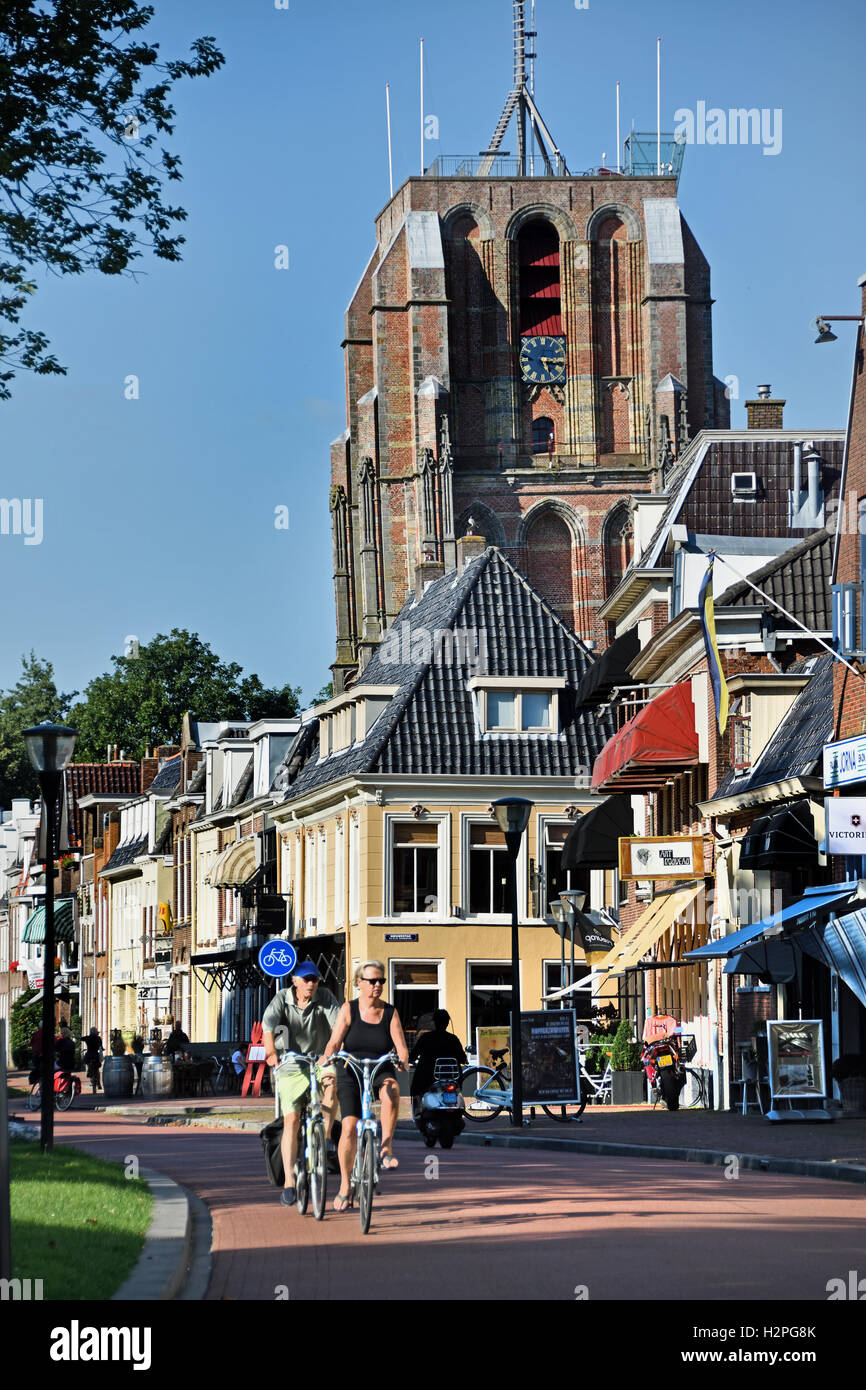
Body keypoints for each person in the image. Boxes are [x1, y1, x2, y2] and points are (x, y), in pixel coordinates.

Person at [321, 960, 410, 1212]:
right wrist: (328, 1055)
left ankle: (386, 1148)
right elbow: (335, 1041)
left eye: (381, 981)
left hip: (380, 1066)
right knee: (349, 1127)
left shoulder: (390, 1013)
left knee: (392, 1089)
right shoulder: (348, 1009)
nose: (378, 985)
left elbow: (401, 1046)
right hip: (351, 1068)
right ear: (359, 983)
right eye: (372, 981)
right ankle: (345, 1186)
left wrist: (403, 1059)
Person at [262, 961, 341, 1208]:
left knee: (332, 1082)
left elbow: (338, 1027)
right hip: (292, 1063)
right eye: (306, 979)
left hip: (320, 1059)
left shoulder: (325, 997)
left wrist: (331, 1050)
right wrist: (271, 1052)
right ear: (295, 981)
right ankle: (289, 1180)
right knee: (292, 1120)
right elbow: (268, 1027)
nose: (311, 984)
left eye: (315, 979)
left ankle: (326, 1138)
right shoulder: (281, 999)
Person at [409, 1009, 467, 1113]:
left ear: (434, 1022)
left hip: (428, 1077)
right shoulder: (453, 1039)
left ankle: (419, 1110)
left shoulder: (426, 1038)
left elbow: (412, 1056)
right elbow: (463, 1058)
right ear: (447, 1023)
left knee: (416, 1089)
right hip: (451, 1077)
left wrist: (409, 1059)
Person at [83, 1027, 104, 1093]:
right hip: (95, 1056)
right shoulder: (98, 1038)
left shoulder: (87, 1038)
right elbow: (101, 1047)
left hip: (89, 1055)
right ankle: (99, 1084)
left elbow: (81, 1038)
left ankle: (90, 1075)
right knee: (97, 1069)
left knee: (89, 1065)